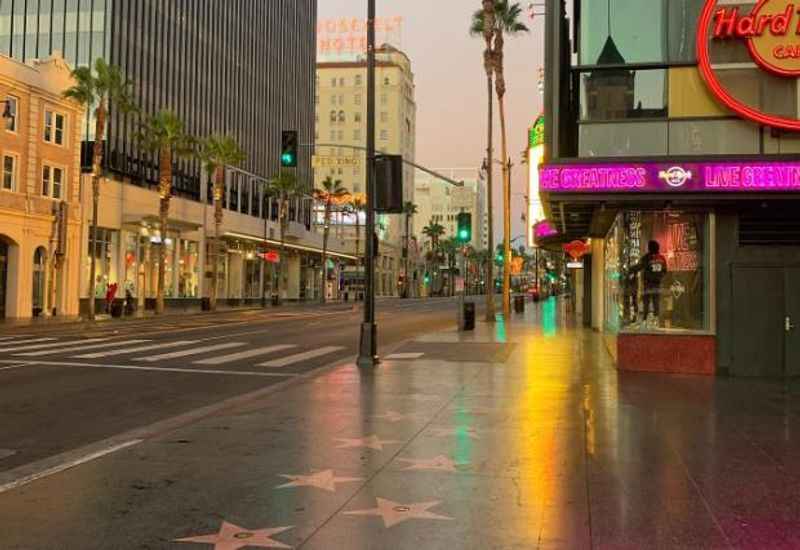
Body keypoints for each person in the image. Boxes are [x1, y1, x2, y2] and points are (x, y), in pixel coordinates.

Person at [632, 240, 668, 327]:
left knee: (646, 302)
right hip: (657, 284)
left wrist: (631, 270)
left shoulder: (647, 258)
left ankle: (644, 320)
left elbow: (639, 267)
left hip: (648, 284)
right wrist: (659, 277)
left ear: (650, 248)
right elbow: (664, 271)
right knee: (656, 302)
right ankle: (656, 320)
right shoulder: (662, 258)